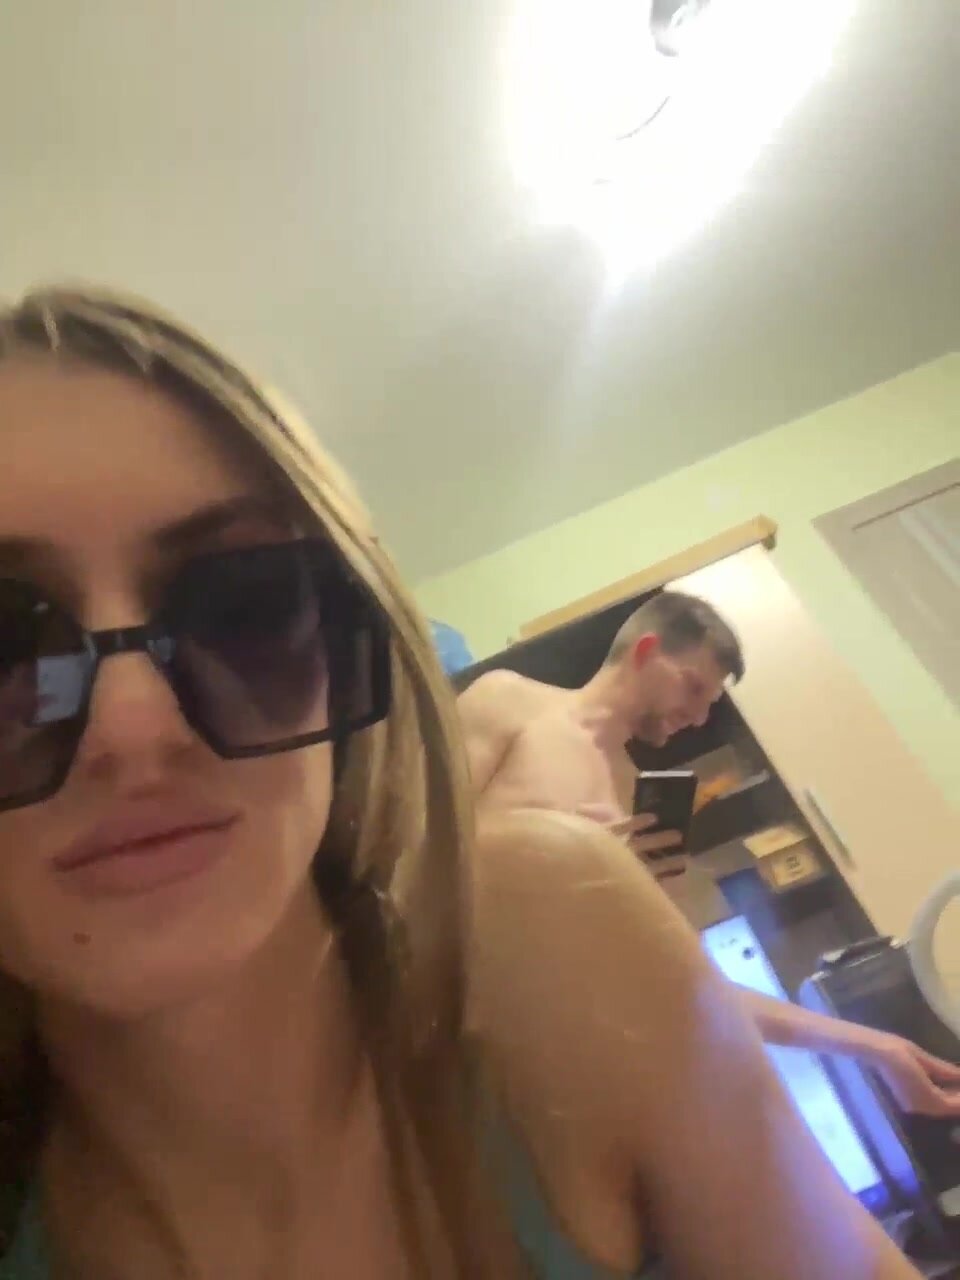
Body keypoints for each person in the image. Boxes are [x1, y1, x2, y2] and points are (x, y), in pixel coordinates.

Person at [0, 287, 923, 1280]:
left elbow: (655, 1007)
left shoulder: (563, 902)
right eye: (6, 646)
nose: (135, 726)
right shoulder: (517, 719)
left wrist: (853, 1039)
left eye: (247, 610)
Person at [458, 592, 960, 1120]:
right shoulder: (510, 700)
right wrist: (570, 862)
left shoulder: (633, 800)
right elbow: (416, 862)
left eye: (710, 703)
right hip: (443, 1029)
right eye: (694, 687)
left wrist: (874, 1046)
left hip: (538, 1068)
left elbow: (683, 981)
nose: (698, 717)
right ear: (645, 651)